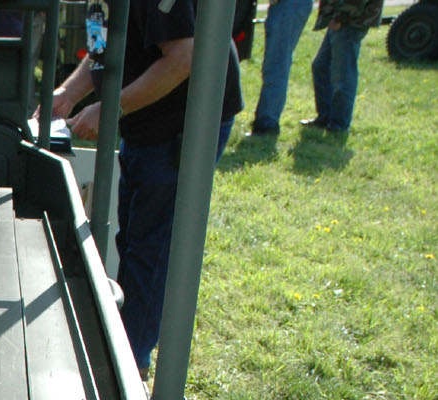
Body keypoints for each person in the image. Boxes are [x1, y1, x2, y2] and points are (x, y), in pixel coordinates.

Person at [48, 0, 242, 376]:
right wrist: (68, 93)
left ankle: (130, 366)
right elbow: (101, 44)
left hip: (181, 122)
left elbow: (184, 57)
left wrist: (110, 108)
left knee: (151, 250)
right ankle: (124, 344)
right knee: (133, 240)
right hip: (142, 121)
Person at [302, 0, 383, 132]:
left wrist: (341, 17)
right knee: (321, 66)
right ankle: (325, 117)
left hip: (349, 21)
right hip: (342, 19)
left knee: (343, 75)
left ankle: (339, 124)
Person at [249, 0, 315, 135]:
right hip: (288, 6)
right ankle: (265, 119)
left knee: (276, 65)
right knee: (275, 64)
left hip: (289, 6)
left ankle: (267, 123)